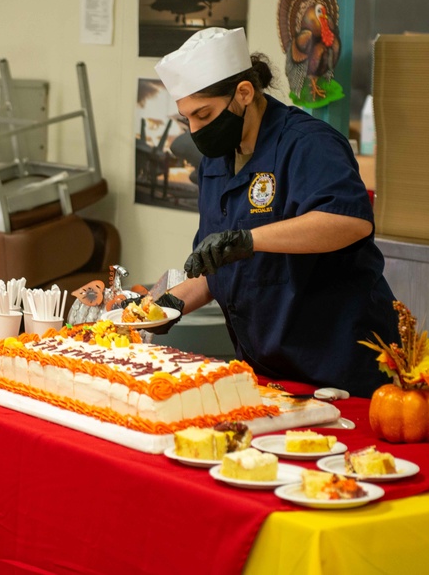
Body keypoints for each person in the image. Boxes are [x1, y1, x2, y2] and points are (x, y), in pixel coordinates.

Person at [140, 27, 399, 398]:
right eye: (187, 120)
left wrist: (250, 240)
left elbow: (350, 222)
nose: (196, 131)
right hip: (267, 371)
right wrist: (164, 308)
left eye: (204, 114)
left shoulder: (309, 144)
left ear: (244, 93)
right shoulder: (217, 161)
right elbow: (215, 266)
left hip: (339, 366)